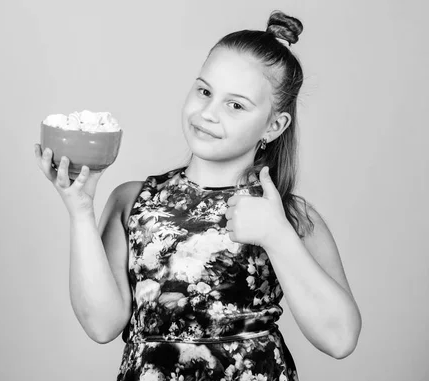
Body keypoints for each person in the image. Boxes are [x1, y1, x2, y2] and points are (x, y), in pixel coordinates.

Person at [34, 10, 362, 381]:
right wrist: (80, 210)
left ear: (274, 125)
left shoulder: (288, 214)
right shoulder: (133, 201)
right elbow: (101, 325)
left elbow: (340, 338)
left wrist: (277, 236)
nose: (207, 112)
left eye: (235, 105)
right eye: (205, 91)